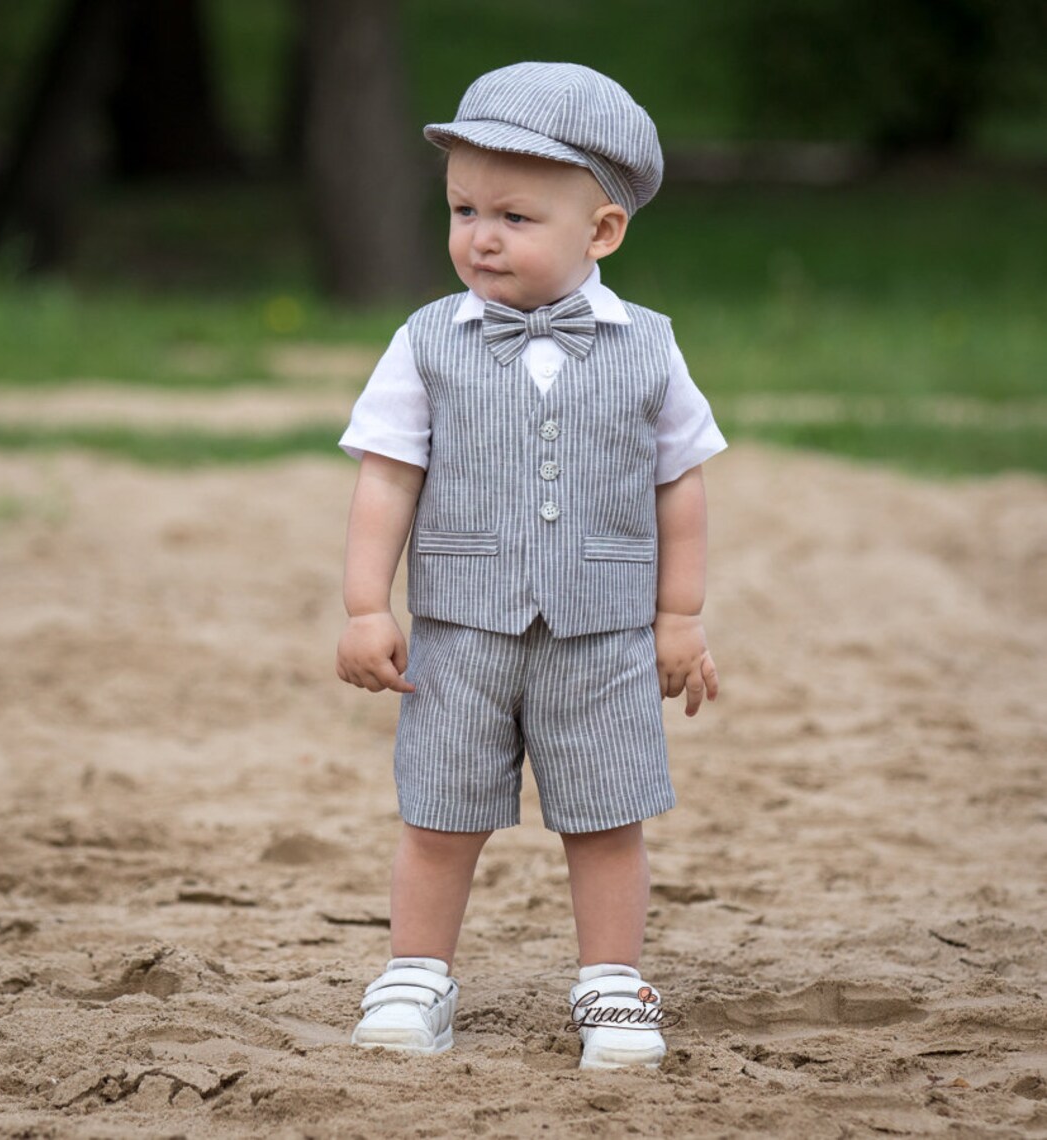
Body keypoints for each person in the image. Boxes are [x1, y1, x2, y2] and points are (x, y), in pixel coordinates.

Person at [335, 61, 725, 1070]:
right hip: (462, 629)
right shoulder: (427, 341)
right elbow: (386, 478)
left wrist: (678, 618)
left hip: (602, 632)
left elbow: (680, 484)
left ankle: (611, 981)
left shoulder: (649, 348)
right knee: (440, 807)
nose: (481, 235)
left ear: (602, 231)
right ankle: (416, 973)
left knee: (605, 813)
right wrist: (364, 605)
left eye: (514, 215)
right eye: (464, 208)